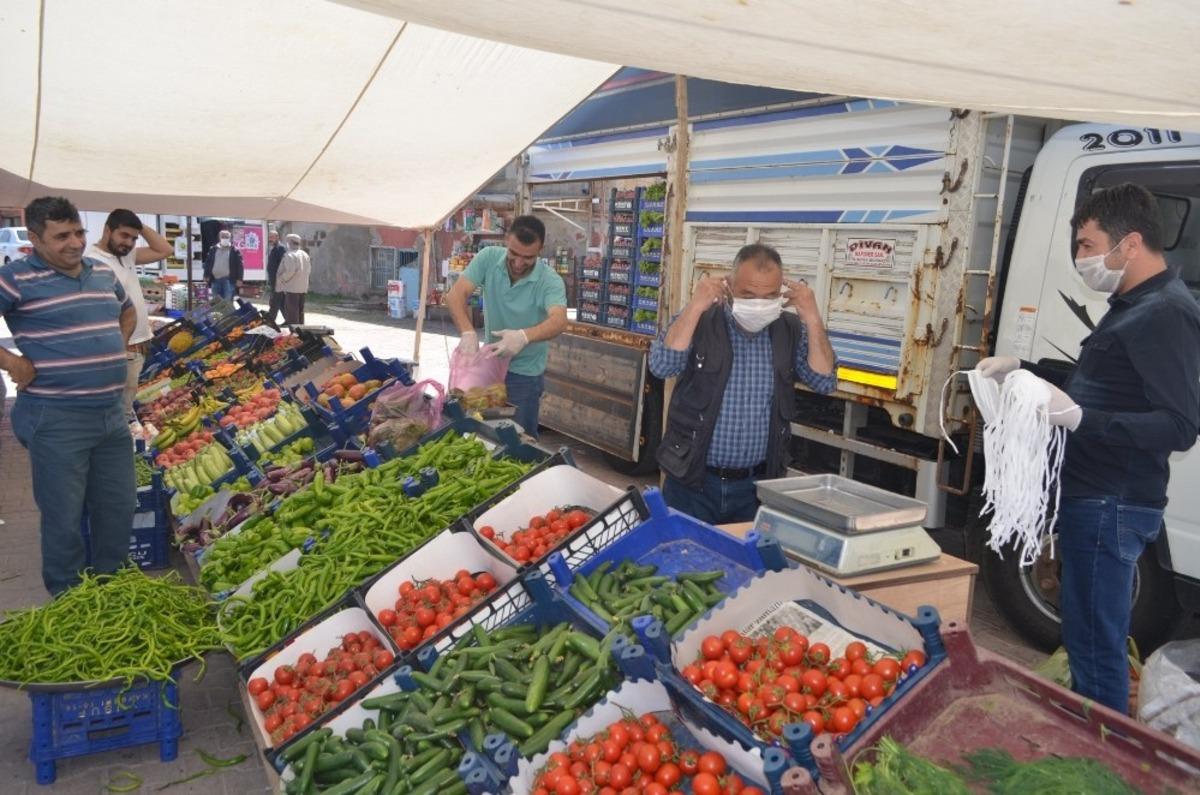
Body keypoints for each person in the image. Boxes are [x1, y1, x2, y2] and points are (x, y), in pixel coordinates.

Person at [976, 183, 1200, 715]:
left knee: (1097, 645)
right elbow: (1106, 384)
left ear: (1130, 244)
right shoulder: (1132, 305)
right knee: (1082, 631)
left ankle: (1102, 747)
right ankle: (1088, 729)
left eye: (1086, 244)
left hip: (1111, 502)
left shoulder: (1165, 313)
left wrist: (1079, 418)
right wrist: (1025, 370)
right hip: (1093, 497)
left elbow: (1179, 426)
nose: (1080, 258)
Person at [0, 197, 137, 595]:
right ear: (34, 238)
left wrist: (115, 345)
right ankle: (69, 598)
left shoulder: (101, 272)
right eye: (61, 236)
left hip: (110, 414)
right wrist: (11, 362)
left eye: (79, 232)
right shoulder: (15, 278)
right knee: (63, 517)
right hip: (56, 417)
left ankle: (112, 588)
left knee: (117, 507)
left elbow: (128, 311)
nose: (75, 243)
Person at [649, 243, 838, 524]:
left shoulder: (789, 330)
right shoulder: (701, 321)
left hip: (756, 490)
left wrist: (812, 317)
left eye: (770, 295)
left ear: (781, 293)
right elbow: (662, 366)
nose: (759, 303)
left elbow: (824, 381)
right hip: (692, 483)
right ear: (728, 286)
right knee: (684, 550)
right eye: (748, 294)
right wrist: (695, 306)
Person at [446, 215, 567, 439]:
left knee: (519, 440)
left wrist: (524, 336)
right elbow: (455, 295)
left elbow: (559, 320)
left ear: (540, 250)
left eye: (528, 257)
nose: (519, 263)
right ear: (506, 241)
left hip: (525, 375)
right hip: (490, 364)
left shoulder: (550, 281)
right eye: (514, 253)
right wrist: (467, 331)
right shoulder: (489, 258)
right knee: (480, 432)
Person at [84, 209, 173, 418]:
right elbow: (96, 313)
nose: (129, 243)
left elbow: (165, 250)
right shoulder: (93, 262)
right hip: (124, 349)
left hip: (139, 346)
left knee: (127, 406)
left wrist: (139, 227)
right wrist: (119, 348)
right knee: (120, 412)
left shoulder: (126, 255)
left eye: (134, 238)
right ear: (107, 230)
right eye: (124, 235)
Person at [277, 233, 311, 325]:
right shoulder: (305, 254)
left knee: (292, 313)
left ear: (290, 242)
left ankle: (294, 332)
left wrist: (282, 279)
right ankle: (301, 330)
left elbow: (290, 271)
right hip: (302, 287)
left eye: (287, 242)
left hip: (292, 288)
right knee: (300, 311)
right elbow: (308, 270)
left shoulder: (290, 255)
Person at [203, 229, 243, 301]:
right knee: (216, 302)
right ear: (219, 238)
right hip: (215, 280)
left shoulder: (234, 250)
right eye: (223, 237)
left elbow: (240, 265)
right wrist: (206, 275)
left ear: (230, 238)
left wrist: (239, 279)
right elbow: (208, 263)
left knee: (227, 302)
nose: (225, 238)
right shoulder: (213, 249)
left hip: (228, 281)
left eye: (226, 237)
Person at [265, 228, 286, 324]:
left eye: (272, 237)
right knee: (281, 302)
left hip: (278, 281)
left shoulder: (280, 248)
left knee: (274, 301)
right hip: (274, 280)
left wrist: (280, 279)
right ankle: (289, 320)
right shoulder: (274, 248)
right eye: (269, 237)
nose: (270, 239)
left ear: (277, 237)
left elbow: (283, 264)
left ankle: (270, 321)